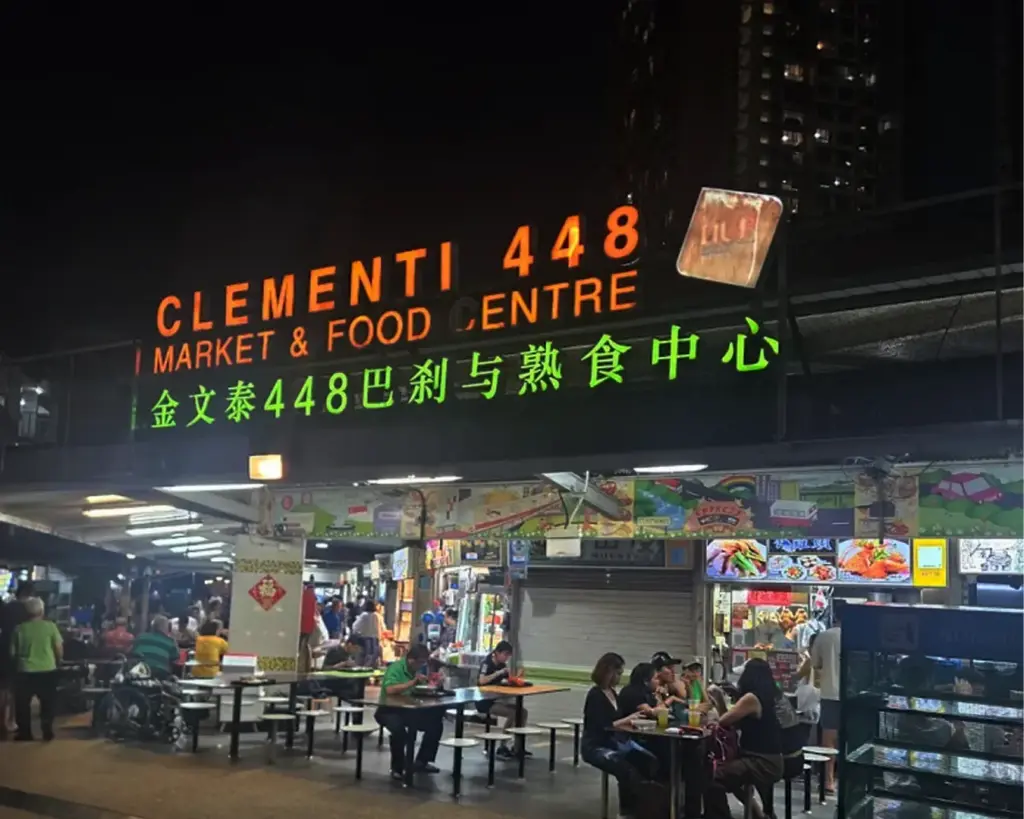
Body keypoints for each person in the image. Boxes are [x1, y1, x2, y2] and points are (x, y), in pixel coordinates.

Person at [704, 659, 784, 819]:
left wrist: (719, 697)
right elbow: (732, 723)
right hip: (772, 759)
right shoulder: (771, 695)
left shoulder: (751, 698)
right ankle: (757, 814)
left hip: (761, 762)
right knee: (731, 776)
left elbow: (723, 721)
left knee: (712, 778)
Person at [582, 652, 657, 819]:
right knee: (626, 769)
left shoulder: (613, 693)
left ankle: (645, 808)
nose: (619, 677)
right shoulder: (595, 695)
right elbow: (603, 726)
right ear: (609, 672)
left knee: (649, 760)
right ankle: (627, 812)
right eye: (618, 673)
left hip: (615, 741)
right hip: (596, 745)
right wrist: (629, 719)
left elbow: (616, 721)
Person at [375, 643, 444, 780]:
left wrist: (436, 683)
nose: (422, 665)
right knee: (399, 731)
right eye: (421, 662)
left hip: (409, 710)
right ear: (411, 660)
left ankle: (422, 761)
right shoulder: (395, 668)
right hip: (389, 710)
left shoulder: (415, 670)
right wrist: (412, 683)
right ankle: (397, 768)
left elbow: (420, 687)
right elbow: (390, 690)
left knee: (435, 724)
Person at [10, 597, 63, 741]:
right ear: (42, 610)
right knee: (48, 703)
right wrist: (58, 662)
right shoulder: (50, 626)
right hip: (47, 670)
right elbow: (58, 648)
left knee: (22, 705)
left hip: (24, 671)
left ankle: (25, 733)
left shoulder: (19, 628)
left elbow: (12, 653)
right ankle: (47, 731)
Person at [476, 640, 528, 760]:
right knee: (513, 713)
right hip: (484, 701)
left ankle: (518, 747)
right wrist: (498, 673)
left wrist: (516, 678)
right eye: (505, 655)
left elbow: (507, 681)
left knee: (523, 712)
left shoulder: (502, 666)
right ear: (497, 653)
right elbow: (481, 681)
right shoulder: (486, 663)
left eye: (508, 656)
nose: (506, 658)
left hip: (497, 699)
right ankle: (502, 747)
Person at [810, 602, 842, 792]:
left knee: (829, 739)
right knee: (850, 739)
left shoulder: (824, 636)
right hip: (852, 696)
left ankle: (829, 780)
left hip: (830, 693)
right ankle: (850, 780)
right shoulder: (860, 636)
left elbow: (816, 664)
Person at [353, 600, 384, 667]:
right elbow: (383, 628)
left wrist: (357, 633)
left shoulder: (364, 615)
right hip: (375, 640)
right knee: (373, 657)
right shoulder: (378, 616)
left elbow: (355, 626)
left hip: (365, 640)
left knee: (364, 657)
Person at [298, 582, 318, 673]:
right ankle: (305, 666)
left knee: (300, 646)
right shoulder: (313, 596)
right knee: (306, 646)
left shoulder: (303, 595)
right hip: (309, 626)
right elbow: (314, 612)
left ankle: (301, 662)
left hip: (301, 624)